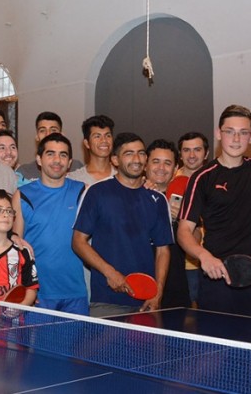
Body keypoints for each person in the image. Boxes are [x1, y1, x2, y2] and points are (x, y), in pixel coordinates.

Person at [176, 105, 251, 319]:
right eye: (229, 131)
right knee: (215, 351)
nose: (236, 139)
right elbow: (184, 230)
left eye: (243, 133)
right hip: (217, 282)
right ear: (218, 134)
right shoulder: (202, 177)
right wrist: (204, 256)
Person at [72, 132, 174, 317]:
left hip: (146, 301)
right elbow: (78, 241)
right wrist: (110, 273)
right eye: (129, 153)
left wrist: (157, 293)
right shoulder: (97, 192)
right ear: (115, 160)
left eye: (141, 153)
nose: (137, 159)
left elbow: (163, 250)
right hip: (106, 299)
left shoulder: (158, 199)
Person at [12, 133, 88, 314]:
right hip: (38, 295)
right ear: (39, 159)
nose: (57, 160)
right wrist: (25, 290)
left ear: (69, 162)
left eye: (63, 155)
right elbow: (16, 246)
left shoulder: (83, 191)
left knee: (77, 344)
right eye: (50, 154)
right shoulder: (22, 195)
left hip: (75, 294)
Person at [144, 139, 190, 309]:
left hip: (175, 284)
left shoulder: (185, 199)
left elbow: (197, 236)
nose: (161, 168)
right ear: (145, 165)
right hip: (137, 282)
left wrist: (182, 220)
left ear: (175, 169)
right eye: (156, 161)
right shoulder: (131, 195)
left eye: (167, 163)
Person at [175, 132, 210, 306]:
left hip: (211, 260)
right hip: (182, 265)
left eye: (197, 149)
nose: (192, 155)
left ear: (206, 153)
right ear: (180, 155)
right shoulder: (170, 180)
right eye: (186, 150)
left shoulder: (215, 179)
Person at [18, 112, 84, 181]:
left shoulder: (76, 167)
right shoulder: (24, 172)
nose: (48, 134)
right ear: (37, 137)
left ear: (61, 135)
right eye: (42, 130)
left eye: (53, 130)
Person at [68, 115, 116, 186]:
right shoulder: (74, 179)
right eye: (97, 136)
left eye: (108, 135)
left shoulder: (122, 176)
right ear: (87, 143)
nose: (104, 140)